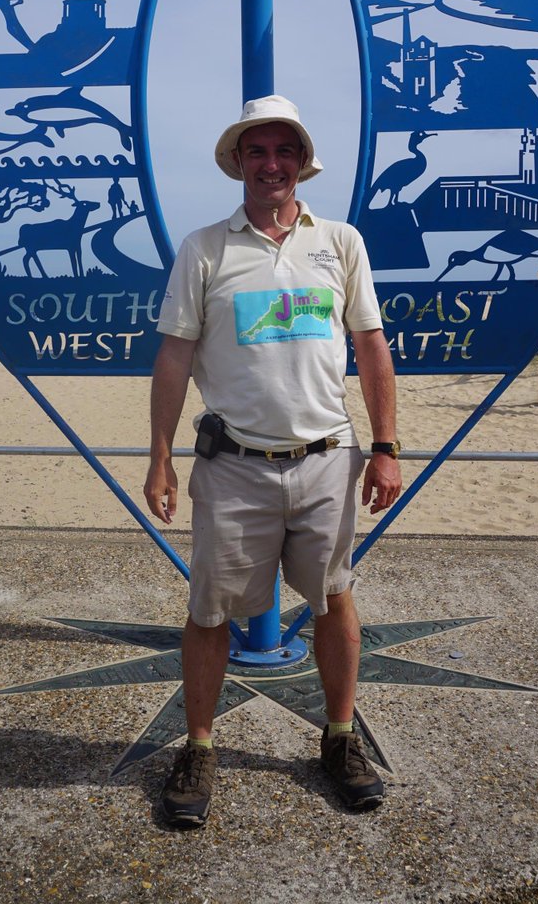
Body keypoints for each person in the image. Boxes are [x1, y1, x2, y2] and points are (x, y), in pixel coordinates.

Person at [144, 95, 402, 826]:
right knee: (208, 611)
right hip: (232, 466)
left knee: (334, 597)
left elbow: (371, 346)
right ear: (238, 163)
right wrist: (160, 457)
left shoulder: (341, 242)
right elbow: (174, 356)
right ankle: (197, 746)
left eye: (283, 150)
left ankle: (341, 736)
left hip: (328, 460)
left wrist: (384, 447)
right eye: (256, 151)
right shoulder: (204, 248)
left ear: (301, 162)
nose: (271, 164)